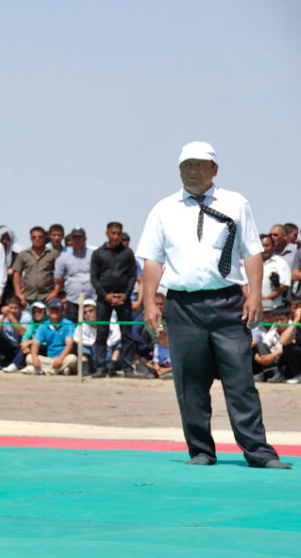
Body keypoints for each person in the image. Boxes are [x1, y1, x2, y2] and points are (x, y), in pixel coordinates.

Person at [136, 140, 289, 469]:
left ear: (214, 170)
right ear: (179, 170)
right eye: (186, 165)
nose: (192, 171)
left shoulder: (236, 202)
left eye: (199, 165)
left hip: (228, 302)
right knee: (190, 383)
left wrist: (255, 295)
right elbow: (152, 261)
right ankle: (201, 451)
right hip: (182, 305)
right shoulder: (163, 209)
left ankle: (258, 452)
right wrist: (149, 303)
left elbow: (252, 251)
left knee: (240, 380)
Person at [90, 222, 137, 378]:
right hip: (104, 299)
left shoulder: (127, 253)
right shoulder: (98, 253)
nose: (116, 236)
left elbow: (132, 276)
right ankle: (100, 366)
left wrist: (126, 294)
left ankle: (127, 366)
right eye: (113, 233)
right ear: (107, 234)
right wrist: (105, 295)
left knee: (127, 333)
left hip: (124, 298)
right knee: (102, 333)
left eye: (118, 233)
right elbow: (94, 278)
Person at [12, 226, 59, 316]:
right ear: (30, 238)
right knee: (28, 324)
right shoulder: (23, 254)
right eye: (34, 237)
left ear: (44, 237)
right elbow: (16, 274)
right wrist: (19, 293)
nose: (37, 239)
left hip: (47, 297)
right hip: (28, 297)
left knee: (46, 324)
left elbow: (60, 275)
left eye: (40, 237)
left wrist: (55, 292)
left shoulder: (53, 254)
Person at [51, 227, 95, 323]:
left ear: (85, 239)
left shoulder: (94, 255)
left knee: (92, 325)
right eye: (75, 238)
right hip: (72, 299)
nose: (77, 240)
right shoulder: (63, 257)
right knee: (72, 327)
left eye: (80, 238)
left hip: (92, 298)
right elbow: (58, 279)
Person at [24, 298, 77, 375]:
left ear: (63, 312)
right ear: (48, 312)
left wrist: (60, 359)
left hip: (64, 357)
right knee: (29, 357)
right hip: (49, 358)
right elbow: (35, 344)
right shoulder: (43, 326)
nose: (54, 312)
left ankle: (44, 371)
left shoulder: (68, 324)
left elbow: (69, 345)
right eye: (52, 309)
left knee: (73, 359)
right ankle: (59, 371)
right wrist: (35, 359)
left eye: (57, 309)